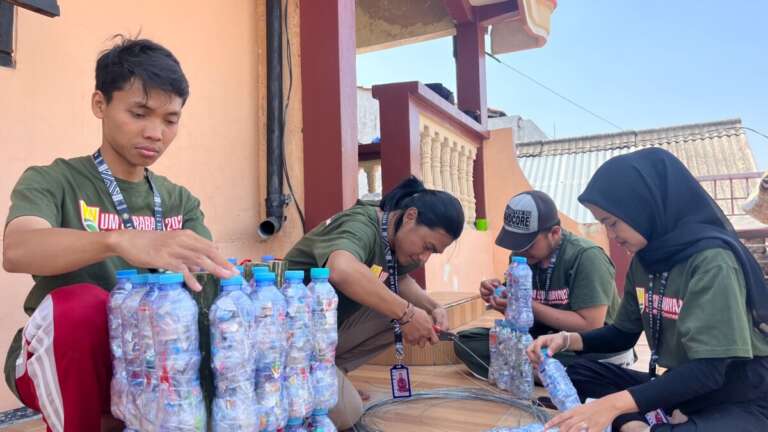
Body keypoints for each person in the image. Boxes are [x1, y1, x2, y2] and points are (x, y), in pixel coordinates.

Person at [2, 37, 236, 431]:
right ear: (100, 105)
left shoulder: (181, 202)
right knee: (80, 306)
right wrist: (118, 239)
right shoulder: (53, 180)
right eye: (140, 113)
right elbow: (17, 248)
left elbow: (204, 289)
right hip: (66, 359)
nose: (155, 132)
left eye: (170, 120)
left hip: (147, 366)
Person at [527, 147, 768, 432]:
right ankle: (642, 421)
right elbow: (623, 335)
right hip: (680, 387)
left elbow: (710, 371)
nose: (611, 236)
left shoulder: (712, 262)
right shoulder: (645, 260)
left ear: (644, 206)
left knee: (615, 407)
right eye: (605, 225)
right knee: (579, 372)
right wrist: (566, 340)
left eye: (613, 223)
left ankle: (637, 423)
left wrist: (613, 406)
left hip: (736, 396)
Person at [284, 176, 465, 429]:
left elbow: (398, 279)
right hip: (288, 341)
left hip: (322, 338)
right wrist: (407, 314)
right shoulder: (360, 225)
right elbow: (341, 269)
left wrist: (431, 307)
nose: (424, 258)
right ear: (410, 216)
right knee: (349, 415)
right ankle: (300, 382)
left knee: (393, 306)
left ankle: (332, 375)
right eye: (427, 246)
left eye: (432, 252)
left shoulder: (398, 238)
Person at [454, 190, 626, 379]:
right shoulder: (522, 258)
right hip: (543, 340)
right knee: (466, 341)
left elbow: (590, 326)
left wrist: (526, 304)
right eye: (515, 242)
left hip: (588, 348)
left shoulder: (586, 256)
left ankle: (541, 372)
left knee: (521, 355)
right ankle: (545, 373)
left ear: (554, 233)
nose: (521, 250)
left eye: (528, 243)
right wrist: (501, 299)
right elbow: (522, 319)